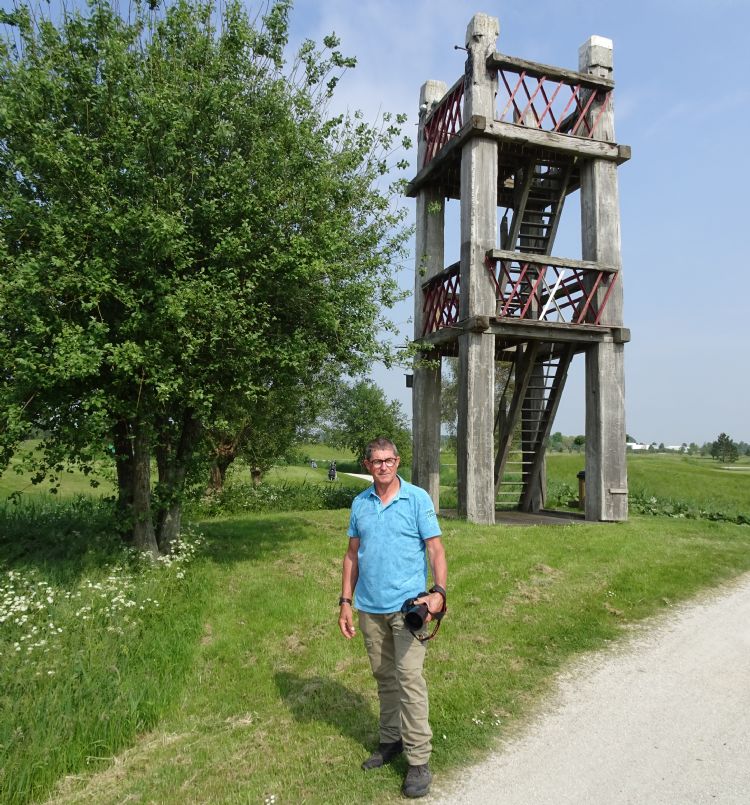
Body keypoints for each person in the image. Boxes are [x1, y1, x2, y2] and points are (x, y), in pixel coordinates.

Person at [338, 437, 447, 799]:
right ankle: (390, 741)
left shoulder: (416, 499)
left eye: (388, 460)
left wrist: (438, 592)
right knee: (384, 677)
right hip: (369, 607)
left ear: (398, 462)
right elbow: (351, 555)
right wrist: (345, 602)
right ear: (368, 465)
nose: (383, 466)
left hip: (407, 609)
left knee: (409, 679)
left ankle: (419, 761)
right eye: (376, 461)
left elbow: (435, 549)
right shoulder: (360, 504)